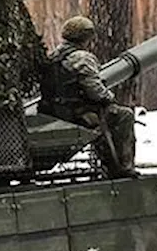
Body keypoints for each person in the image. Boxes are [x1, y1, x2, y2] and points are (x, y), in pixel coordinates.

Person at [37, 16, 139, 179]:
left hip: (55, 112)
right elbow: (95, 91)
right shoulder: (82, 58)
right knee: (124, 115)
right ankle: (122, 167)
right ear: (86, 37)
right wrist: (109, 97)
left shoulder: (54, 56)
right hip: (77, 114)